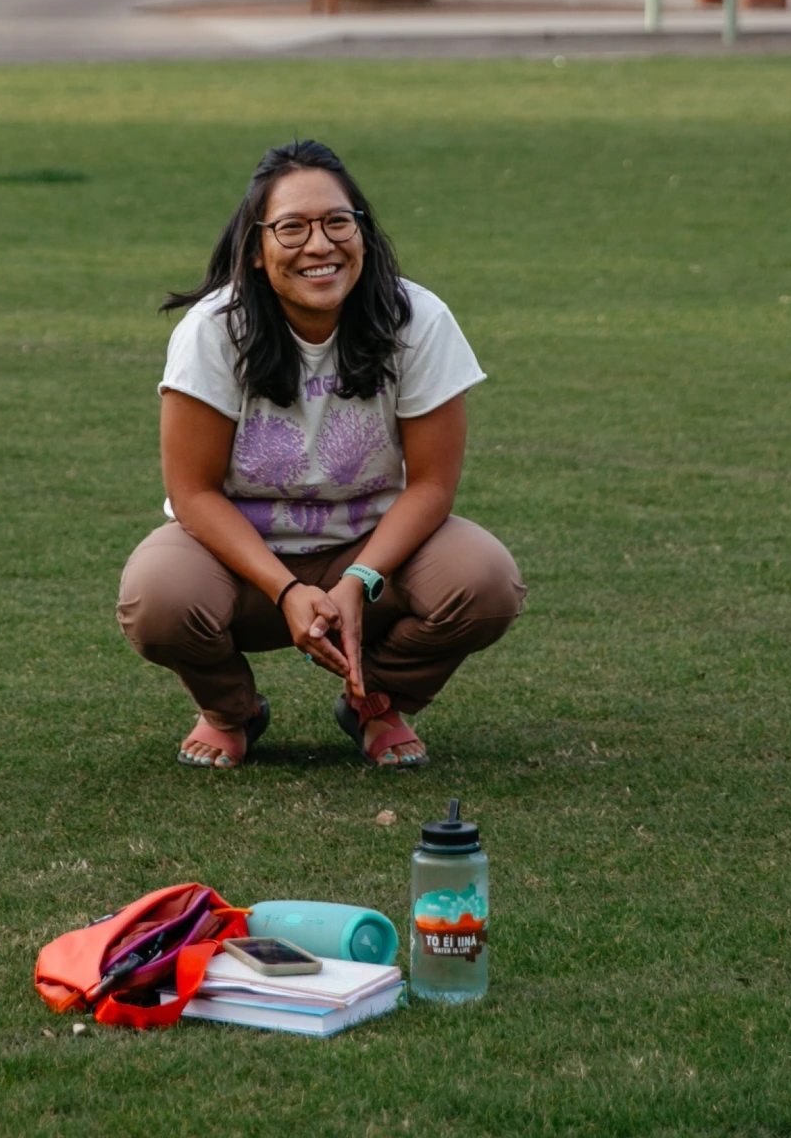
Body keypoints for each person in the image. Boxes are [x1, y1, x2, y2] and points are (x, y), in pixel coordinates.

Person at [117, 140, 527, 770]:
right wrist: (285, 591)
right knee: (158, 598)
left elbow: (433, 486)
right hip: (242, 561)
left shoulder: (416, 318)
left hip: (371, 550)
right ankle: (232, 710)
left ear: (362, 231)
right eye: (292, 228)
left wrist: (360, 582)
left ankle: (375, 700)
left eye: (338, 222)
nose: (319, 245)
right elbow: (193, 493)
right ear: (256, 250)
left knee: (486, 582)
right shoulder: (213, 330)